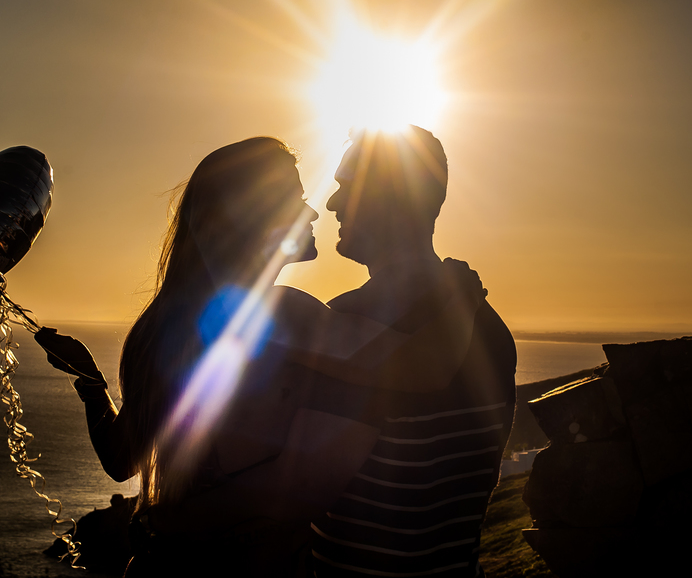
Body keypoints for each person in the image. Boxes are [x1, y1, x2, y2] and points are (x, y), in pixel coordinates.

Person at [35, 136, 485, 576]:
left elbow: (120, 461)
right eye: (293, 199)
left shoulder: (162, 325)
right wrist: (461, 296)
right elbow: (426, 368)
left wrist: (91, 383)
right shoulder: (278, 315)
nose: (312, 211)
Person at [148, 126, 516, 578]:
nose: (332, 204)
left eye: (345, 186)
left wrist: (167, 520)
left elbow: (299, 487)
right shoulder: (488, 323)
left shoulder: (354, 320)